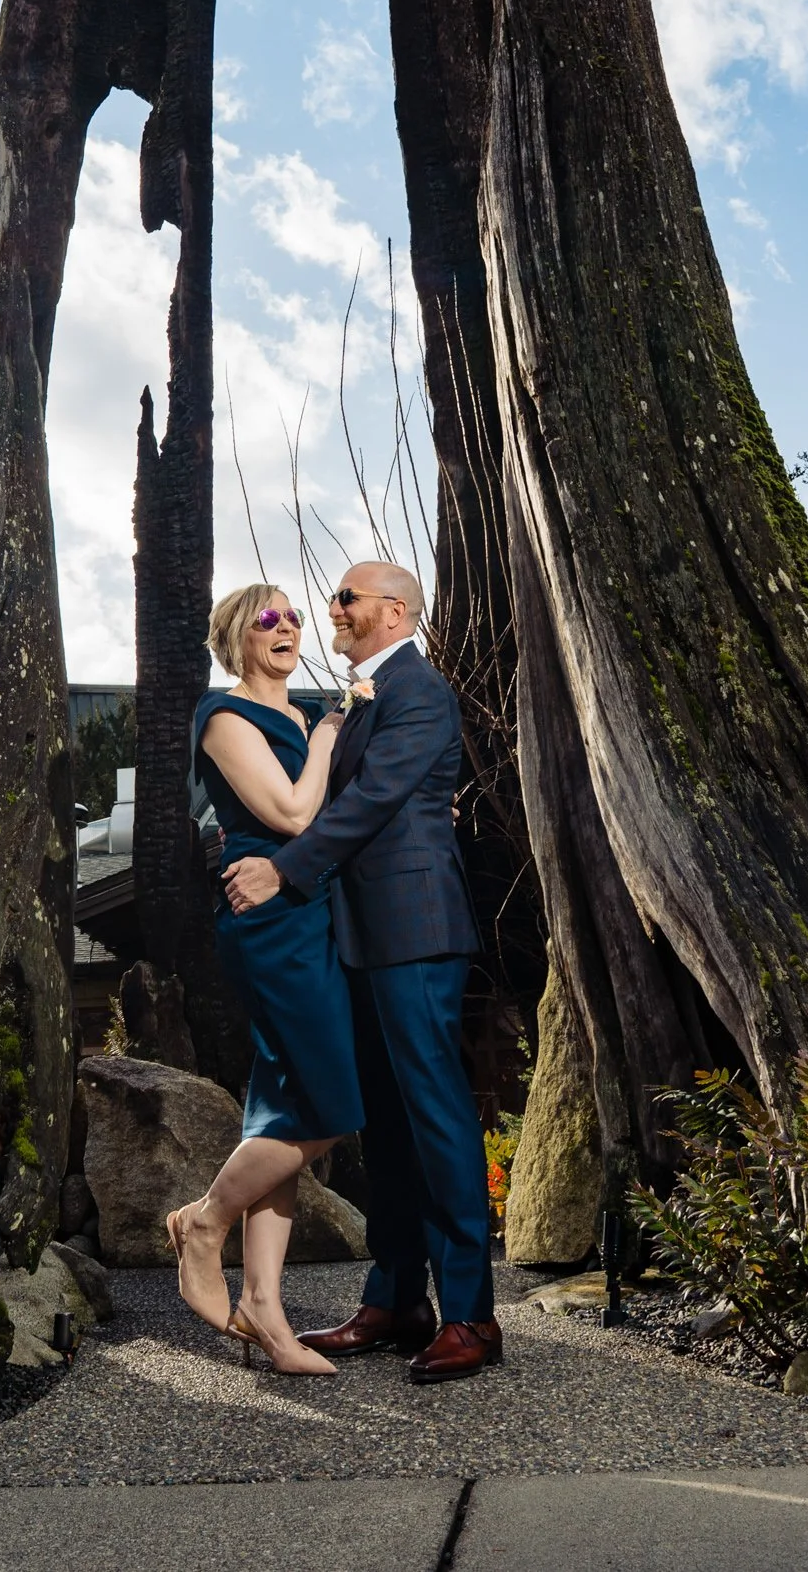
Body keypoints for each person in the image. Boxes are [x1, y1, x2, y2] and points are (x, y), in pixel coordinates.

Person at [223, 561, 500, 1384]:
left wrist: (282, 872)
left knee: (436, 1118)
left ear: (394, 611)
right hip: (356, 938)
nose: (331, 609)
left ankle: (471, 1316)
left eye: (346, 597)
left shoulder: (420, 689)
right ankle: (395, 1300)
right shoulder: (356, 700)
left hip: (414, 931)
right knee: (383, 1125)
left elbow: (372, 799)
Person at [167, 582, 364, 1375]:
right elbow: (290, 814)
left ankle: (265, 1309)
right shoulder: (224, 716)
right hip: (271, 922)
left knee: (286, 1112)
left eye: (292, 617)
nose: (285, 628)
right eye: (266, 619)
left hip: (320, 915)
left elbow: (341, 816)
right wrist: (328, 738)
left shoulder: (306, 715)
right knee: (333, 1104)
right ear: (236, 639)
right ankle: (206, 1220)